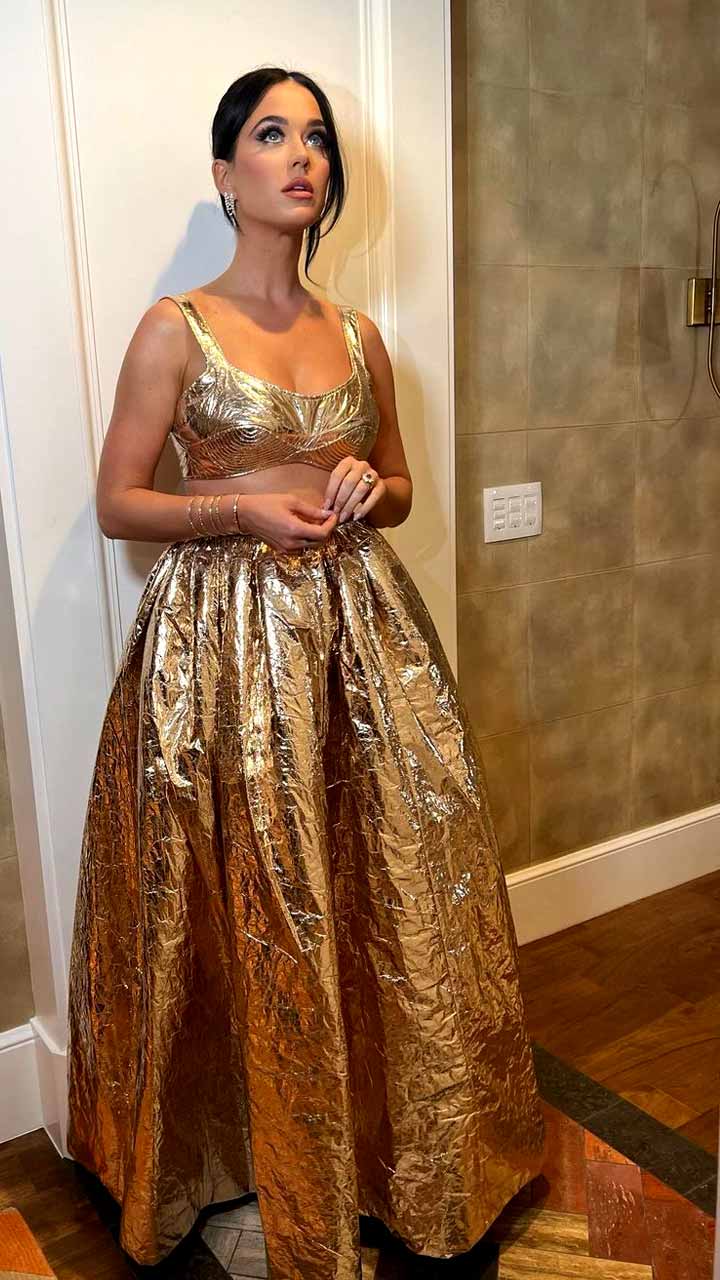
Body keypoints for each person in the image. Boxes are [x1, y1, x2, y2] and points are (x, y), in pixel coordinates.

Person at [65, 66, 546, 1280]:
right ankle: (236, 1149)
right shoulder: (174, 326)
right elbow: (120, 500)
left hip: (358, 644)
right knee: (236, 901)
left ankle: (396, 1152)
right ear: (225, 173)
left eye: (316, 138)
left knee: (381, 883)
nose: (300, 155)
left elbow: (401, 487)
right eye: (272, 135)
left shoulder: (362, 335)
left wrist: (365, 487)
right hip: (217, 654)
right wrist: (239, 508)